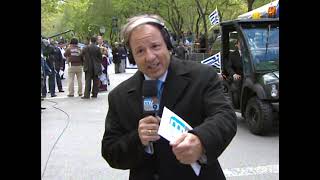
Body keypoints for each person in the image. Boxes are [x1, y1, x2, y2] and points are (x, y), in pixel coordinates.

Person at [101, 14, 237, 180]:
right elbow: (110, 151)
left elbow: (225, 117)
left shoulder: (202, 76)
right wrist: (137, 139)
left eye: (155, 46)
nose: (150, 57)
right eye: (140, 51)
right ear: (132, 56)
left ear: (168, 45)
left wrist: (200, 141)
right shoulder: (119, 96)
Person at [225, 39, 243, 107]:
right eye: (240, 43)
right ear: (237, 45)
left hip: (248, 75)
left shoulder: (248, 54)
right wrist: (234, 74)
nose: (241, 45)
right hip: (238, 76)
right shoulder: (233, 55)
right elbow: (228, 67)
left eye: (243, 43)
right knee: (237, 81)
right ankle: (238, 104)